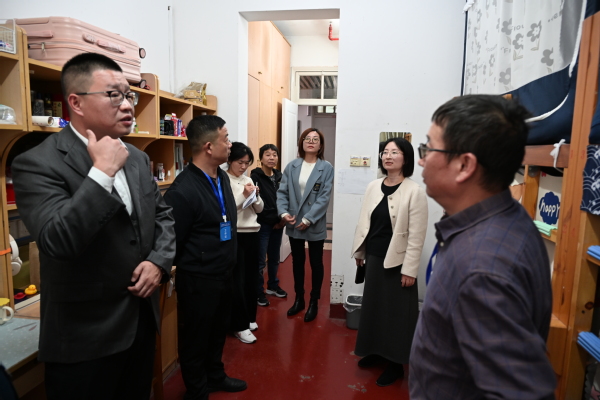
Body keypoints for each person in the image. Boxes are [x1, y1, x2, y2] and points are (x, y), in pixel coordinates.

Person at [11, 53, 176, 400]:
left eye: (129, 95)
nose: (127, 105)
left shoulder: (137, 157)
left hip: (140, 325)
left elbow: (162, 216)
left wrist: (158, 262)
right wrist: (101, 173)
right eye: (114, 95)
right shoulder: (37, 163)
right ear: (76, 102)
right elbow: (57, 241)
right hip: (83, 339)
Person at [409, 95, 556, 399]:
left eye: (429, 148)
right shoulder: (503, 217)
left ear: (464, 165)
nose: (422, 159)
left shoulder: (482, 269)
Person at [163, 115, 247, 399]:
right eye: (226, 138)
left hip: (224, 273)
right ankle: (197, 390)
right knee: (196, 338)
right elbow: (174, 241)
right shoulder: (182, 191)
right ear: (209, 147)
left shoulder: (220, 177)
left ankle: (215, 376)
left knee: (217, 331)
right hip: (199, 280)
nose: (230, 144)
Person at [351, 137, 428, 387]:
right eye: (385, 152)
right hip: (374, 257)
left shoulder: (414, 191)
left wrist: (410, 270)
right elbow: (364, 223)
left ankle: (395, 364)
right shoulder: (373, 186)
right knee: (373, 308)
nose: (388, 156)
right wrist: (360, 254)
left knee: (396, 315)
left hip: (398, 263)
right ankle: (374, 351)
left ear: (406, 158)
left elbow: (417, 236)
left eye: (394, 152)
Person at [277, 128, 334, 322]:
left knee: (316, 263)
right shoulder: (292, 166)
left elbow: (324, 197)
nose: (311, 141)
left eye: (315, 139)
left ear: (320, 145)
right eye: (307, 138)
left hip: (314, 222)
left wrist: (309, 218)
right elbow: (282, 192)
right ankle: (299, 298)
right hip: (293, 221)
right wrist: (283, 213)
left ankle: (314, 301)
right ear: (301, 143)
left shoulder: (326, 167)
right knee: (297, 261)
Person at [226, 142, 263, 343]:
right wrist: (245, 195)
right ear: (230, 160)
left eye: (247, 163)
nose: (243, 166)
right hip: (236, 234)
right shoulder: (224, 179)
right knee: (237, 281)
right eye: (240, 162)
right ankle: (239, 325)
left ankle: (249, 318)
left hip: (252, 232)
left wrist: (255, 197)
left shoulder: (248, 179)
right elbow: (229, 208)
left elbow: (259, 209)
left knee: (251, 278)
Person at [251, 144, 287, 307]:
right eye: (267, 154)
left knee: (274, 258)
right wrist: (271, 219)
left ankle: (273, 285)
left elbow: (285, 198)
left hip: (278, 224)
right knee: (260, 261)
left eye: (274, 155)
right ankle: (258, 291)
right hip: (262, 225)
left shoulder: (280, 176)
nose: (272, 158)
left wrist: (282, 220)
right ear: (261, 158)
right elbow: (255, 202)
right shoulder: (255, 177)